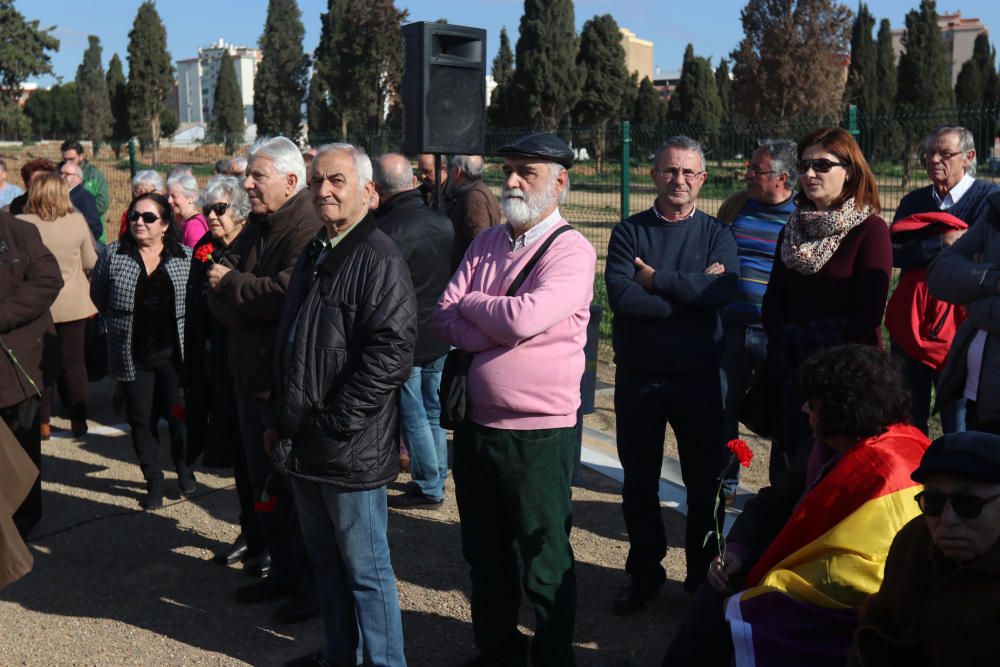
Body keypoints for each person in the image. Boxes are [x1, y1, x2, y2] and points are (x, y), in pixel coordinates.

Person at [434, 132, 597, 666]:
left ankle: (553, 657)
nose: (512, 181)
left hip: (540, 434)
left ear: (560, 182)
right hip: (479, 428)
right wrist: (493, 319)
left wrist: (479, 310)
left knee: (544, 557)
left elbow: (524, 317)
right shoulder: (486, 243)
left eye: (527, 171)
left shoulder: (572, 250)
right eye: (509, 169)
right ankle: (498, 649)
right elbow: (444, 314)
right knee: (484, 552)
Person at [663, 344, 929, 667]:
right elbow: (771, 501)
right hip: (787, 563)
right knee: (710, 601)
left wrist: (765, 596)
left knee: (726, 613)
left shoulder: (887, 468)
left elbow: (862, 566)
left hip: (840, 603)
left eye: (813, 404)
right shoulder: (821, 448)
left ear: (843, 409)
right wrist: (736, 548)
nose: (804, 409)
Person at [276, 143, 417, 667]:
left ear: (368, 191)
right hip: (305, 443)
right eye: (316, 181)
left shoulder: (378, 256)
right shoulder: (319, 249)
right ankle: (340, 655)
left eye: (336, 180)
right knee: (327, 564)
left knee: (366, 571)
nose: (323, 190)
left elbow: (390, 353)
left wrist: (334, 423)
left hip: (346, 448)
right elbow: (296, 343)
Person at [605, 135, 738, 610]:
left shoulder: (717, 233)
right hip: (640, 378)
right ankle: (644, 574)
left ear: (702, 179)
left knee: (705, 486)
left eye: (688, 172)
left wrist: (656, 280)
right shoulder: (628, 233)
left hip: (700, 379)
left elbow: (720, 295)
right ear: (653, 175)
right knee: (638, 482)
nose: (677, 179)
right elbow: (622, 298)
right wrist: (693, 292)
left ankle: (702, 581)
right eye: (669, 170)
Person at [205, 136, 321, 623]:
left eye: (257, 176)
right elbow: (214, 283)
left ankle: (310, 588)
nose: (245, 184)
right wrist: (239, 297)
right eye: (247, 175)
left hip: (282, 388)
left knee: (295, 495)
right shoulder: (255, 225)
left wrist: (234, 289)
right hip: (248, 381)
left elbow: (284, 294)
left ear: (291, 182)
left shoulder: (307, 229)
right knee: (263, 488)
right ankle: (281, 573)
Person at [761, 127, 891, 481]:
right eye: (803, 166)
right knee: (789, 478)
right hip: (793, 373)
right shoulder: (792, 228)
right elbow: (773, 301)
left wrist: (816, 359)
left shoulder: (871, 230)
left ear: (849, 170)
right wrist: (784, 345)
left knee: (837, 481)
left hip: (847, 381)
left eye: (821, 165)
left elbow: (867, 315)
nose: (809, 174)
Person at [850, 431, 1000, 666]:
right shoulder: (913, 541)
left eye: (968, 504)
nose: (948, 518)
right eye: (934, 502)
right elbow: (879, 621)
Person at [890, 126, 998, 434]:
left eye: (944, 153)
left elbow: (982, 259)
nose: (934, 159)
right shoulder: (914, 201)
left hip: (961, 324)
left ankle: (959, 478)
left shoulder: (989, 201)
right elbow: (896, 253)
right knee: (907, 414)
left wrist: (925, 252)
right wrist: (939, 245)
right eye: (929, 153)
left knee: (958, 416)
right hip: (911, 322)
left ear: (969, 158)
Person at [89, 193, 193, 510]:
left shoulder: (183, 257)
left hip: (174, 356)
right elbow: (99, 296)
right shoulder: (114, 254)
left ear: (164, 224)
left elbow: (195, 303)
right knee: (141, 419)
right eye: (135, 216)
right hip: (132, 355)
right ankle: (154, 480)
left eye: (148, 217)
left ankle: (184, 465)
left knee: (178, 416)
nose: (139, 222)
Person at [184, 176, 266, 575]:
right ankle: (250, 530)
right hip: (217, 363)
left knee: (260, 464)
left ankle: (266, 537)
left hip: (248, 359)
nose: (212, 216)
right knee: (238, 458)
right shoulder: (204, 249)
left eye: (220, 209)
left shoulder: (252, 244)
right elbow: (197, 300)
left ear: (240, 211)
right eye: (208, 210)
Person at [715, 139, 797, 501]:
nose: (747, 175)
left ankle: (780, 492)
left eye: (756, 170)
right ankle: (725, 483)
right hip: (729, 328)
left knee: (782, 413)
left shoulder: (801, 215)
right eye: (749, 168)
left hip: (775, 334)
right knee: (721, 408)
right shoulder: (736, 205)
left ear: (782, 177)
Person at [372, 153, 455, 509]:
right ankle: (436, 472)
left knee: (413, 411)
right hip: (438, 329)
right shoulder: (442, 221)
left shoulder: (386, 231)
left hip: (406, 333)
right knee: (432, 409)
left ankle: (429, 483)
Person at [17, 172, 98, 439]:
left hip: (36, 304)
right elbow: (90, 261)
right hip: (73, 301)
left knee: (39, 363)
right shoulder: (76, 221)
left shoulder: (21, 223)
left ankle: (43, 423)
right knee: (75, 363)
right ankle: (79, 420)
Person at [0, 210, 63, 536]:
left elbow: (49, 279)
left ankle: (24, 519)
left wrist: (3, 315)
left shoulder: (19, 232)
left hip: (18, 364)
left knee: (22, 445)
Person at [927, 190, 1000, 434]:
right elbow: (939, 272)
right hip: (978, 398)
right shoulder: (996, 208)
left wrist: (974, 306)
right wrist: (992, 280)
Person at [445, 154, 501, 265]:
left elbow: (479, 240)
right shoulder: (476, 190)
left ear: (458, 171)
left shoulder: (474, 197)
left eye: (451, 168)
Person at [61, 140, 109, 244]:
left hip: (93, 234)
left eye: (71, 159)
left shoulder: (95, 175)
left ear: (81, 156)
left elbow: (103, 202)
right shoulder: (58, 174)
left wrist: (83, 211)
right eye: (65, 159)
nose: (67, 163)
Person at [58, 161, 103, 246]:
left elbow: (95, 227)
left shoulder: (85, 197)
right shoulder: (60, 195)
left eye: (67, 174)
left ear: (78, 178)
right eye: (61, 173)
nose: (62, 176)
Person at [167, 171, 209, 248]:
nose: (169, 201)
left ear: (191, 197)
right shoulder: (183, 221)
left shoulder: (194, 228)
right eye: (168, 196)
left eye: (174, 196)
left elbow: (195, 258)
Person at [118, 170, 165, 238]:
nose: (142, 197)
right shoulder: (129, 214)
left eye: (146, 193)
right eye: (138, 192)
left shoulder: (166, 213)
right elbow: (123, 238)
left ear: (158, 193)